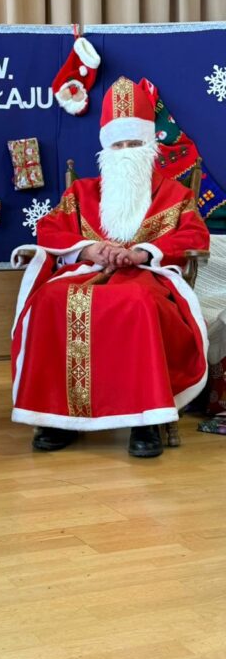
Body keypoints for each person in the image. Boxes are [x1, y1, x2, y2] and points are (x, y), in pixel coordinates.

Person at [11, 76, 209, 458]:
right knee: (50, 298)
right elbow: (50, 228)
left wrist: (141, 254)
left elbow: (193, 238)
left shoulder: (175, 195)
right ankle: (58, 417)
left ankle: (145, 420)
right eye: (117, 145)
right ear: (104, 149)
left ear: (150, 146)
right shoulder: (81, 192)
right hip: (85, 272)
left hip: (146, 277)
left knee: (137, 303)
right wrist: (88, 250)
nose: (125, 152)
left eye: (134, 144)